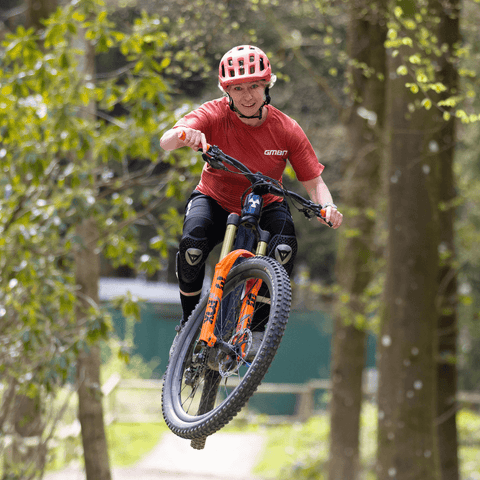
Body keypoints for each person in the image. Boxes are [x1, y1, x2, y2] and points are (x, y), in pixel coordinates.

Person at [160, 44, 343, 334]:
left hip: (267, 200)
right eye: (238, 88)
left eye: (255, 86)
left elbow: (314, 182)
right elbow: (166, 142)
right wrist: (184, 133)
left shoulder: (287, 128)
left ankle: (257, 332)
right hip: (215, 198)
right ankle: (187, 322)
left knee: (284, 248)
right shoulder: (213, 114)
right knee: (191, 247)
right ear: (227, 92)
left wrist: (327, 207)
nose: (247, 96)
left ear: (267, 86)